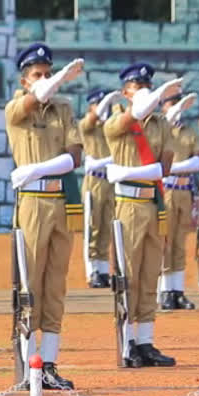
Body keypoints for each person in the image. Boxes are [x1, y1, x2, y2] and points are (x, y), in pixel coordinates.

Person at [6, 43, 84, 389]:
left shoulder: (63, 110)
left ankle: (48, 364)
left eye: (49, 73)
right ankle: (28, 365)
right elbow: (28, 104)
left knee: (55, 286)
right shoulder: (16, 110)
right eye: (37, 74)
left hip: (60, 202)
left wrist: (35, 167)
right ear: (25, 81)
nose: (45, 79)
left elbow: (74, 157)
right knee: (29, 284)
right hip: (33, 205)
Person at [103, 63, 181, 367]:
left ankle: (145, 340)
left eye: (147, 85)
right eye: (137, 86)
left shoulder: (161, 123)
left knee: (151, 273)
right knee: (129, 275)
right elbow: (129, 121)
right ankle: (127, 342)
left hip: (153, 203)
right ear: (125, 93)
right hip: (129, 206)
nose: (143, 89)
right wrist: (142, 172)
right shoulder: (115, 122)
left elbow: (166, 166)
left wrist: (129, 171)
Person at [159, 92, 199, 310]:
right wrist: (177, 168)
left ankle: (178, 290)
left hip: (183, 189)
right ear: (163, 107)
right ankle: (165, 290)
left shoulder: (188, 132)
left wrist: (175, 168)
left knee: (180, 242)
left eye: (178, 104)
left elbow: (197, 161)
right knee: (165, 241)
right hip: (166, 189)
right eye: (171, 104)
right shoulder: (160, 129)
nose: (176, 107)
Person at [79, 88, 120, 288]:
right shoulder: (88, 126)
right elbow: (92, 118)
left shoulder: (110, 129)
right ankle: (92, 270)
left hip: (109, 181)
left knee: (106, 226)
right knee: (92, 226)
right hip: (94, 181)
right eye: (100, 103)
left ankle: (103, 270)